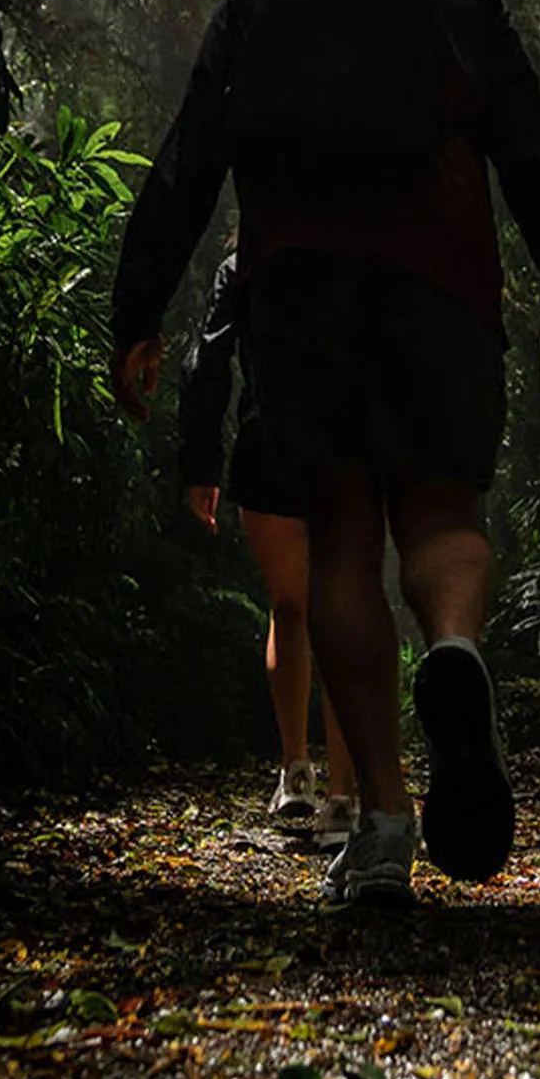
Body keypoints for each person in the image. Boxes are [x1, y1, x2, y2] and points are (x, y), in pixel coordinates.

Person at [108, 0, 540, 908]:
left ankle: (381, 829)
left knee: (340, 539)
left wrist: (138, 310)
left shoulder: (262, 5)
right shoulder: (461, 0)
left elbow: (189, 160)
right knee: (441, 518)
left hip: (301, 296)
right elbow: (536, 160)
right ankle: (457, 653)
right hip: (440, 290)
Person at [177, 249, 359, 841]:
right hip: (348, 453)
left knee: (288, 607)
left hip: (267, 450)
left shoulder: (247, 261)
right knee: (342, 618)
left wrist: (201, 462)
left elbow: (208, 357)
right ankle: (342, 799)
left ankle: (295, 773)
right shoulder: (362, 249)